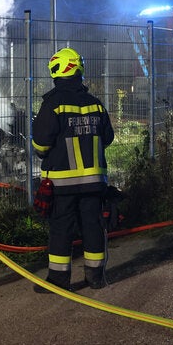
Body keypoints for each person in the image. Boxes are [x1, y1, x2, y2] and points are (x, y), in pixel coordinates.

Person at [32, 47, 116, 291]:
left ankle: (58, 281)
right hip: (93, 182)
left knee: (61, 229)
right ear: (80, 70)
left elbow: (41, 144)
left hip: (62, 184)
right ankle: (96, 277)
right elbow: (107, 138)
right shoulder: (95, 104)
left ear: (55, 72)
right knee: (93, 226)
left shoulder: (53, 104)